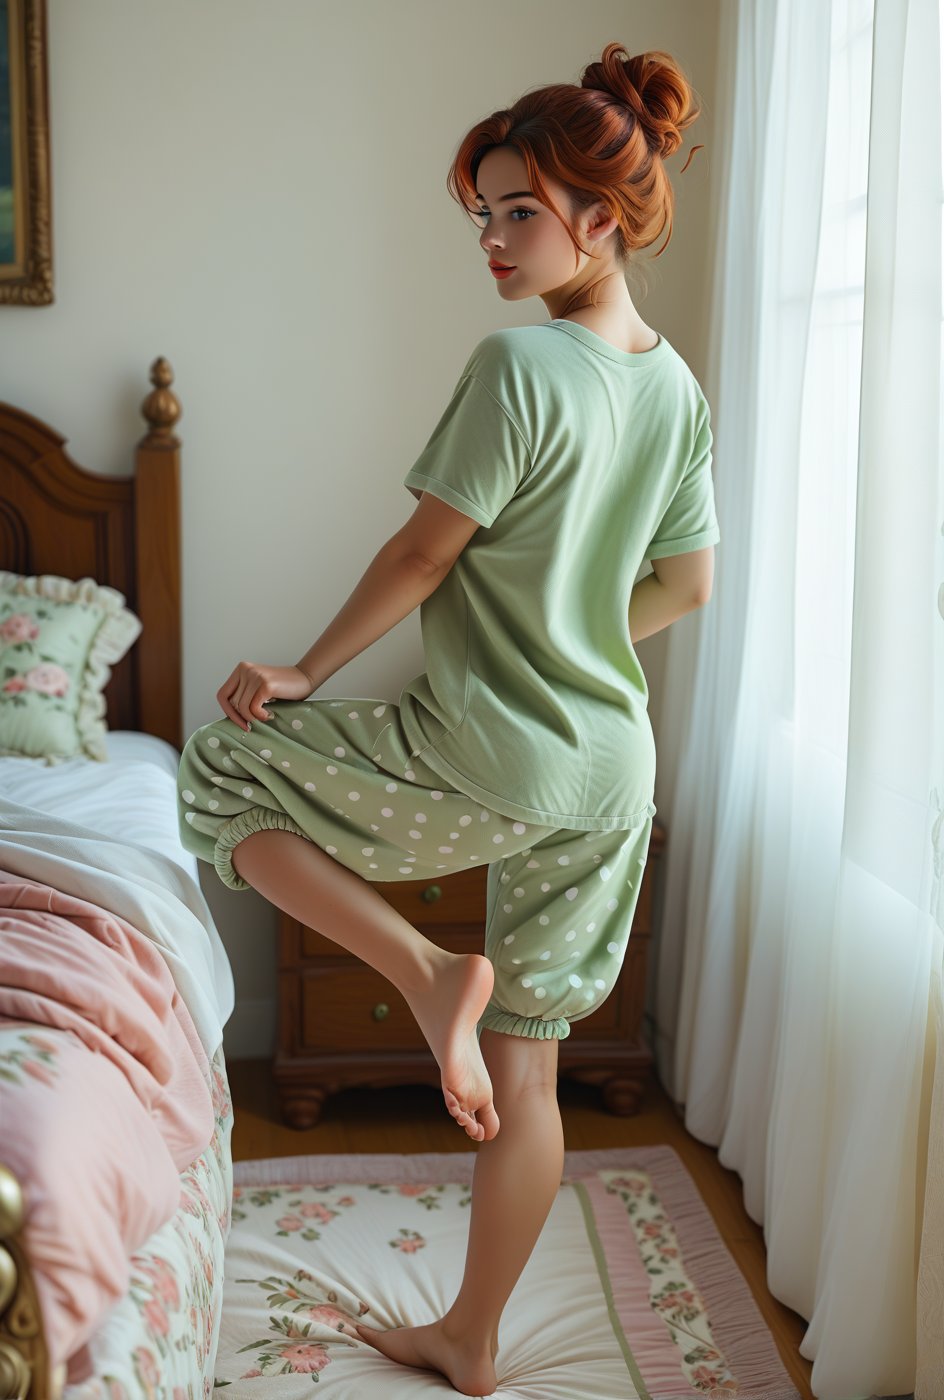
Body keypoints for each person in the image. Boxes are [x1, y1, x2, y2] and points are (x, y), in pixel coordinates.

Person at [176, 39, 718, 1397]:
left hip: (496, 751)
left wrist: (305, 668)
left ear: (604, 215)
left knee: (219, 767)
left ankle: (425, 975)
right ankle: (471, 1341)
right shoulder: (678, 389)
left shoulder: (521, 370)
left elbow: (422, 557)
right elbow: (688, 586)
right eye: (479, 211)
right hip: (611, 775)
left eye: (518, 209)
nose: (490, 237)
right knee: (530, 1081)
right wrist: (581, 634)